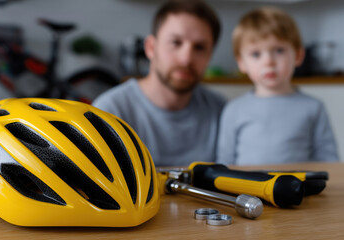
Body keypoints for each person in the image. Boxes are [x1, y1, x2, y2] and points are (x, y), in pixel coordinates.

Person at [93, 0, 226, 166]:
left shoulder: (221, 111)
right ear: (150, 47)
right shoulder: (109, 111)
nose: (186, 59)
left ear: (210, 56)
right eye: (176, 42)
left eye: (199, 47)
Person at [216, 7, 339, 165]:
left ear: (298, 55)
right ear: (241, 63)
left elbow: (329, 161)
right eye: (256, 54)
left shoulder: (314, 107)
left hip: (299, 189)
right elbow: (224, 164)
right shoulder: (233, 110)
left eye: (279, 50)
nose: (268, 61)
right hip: (245, 189)